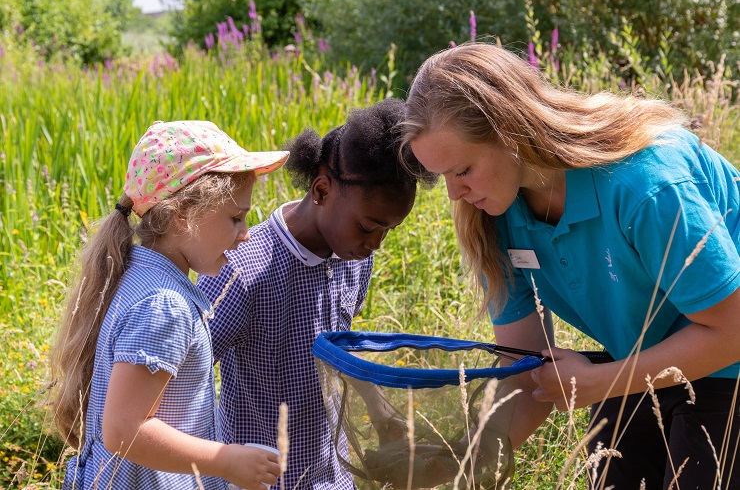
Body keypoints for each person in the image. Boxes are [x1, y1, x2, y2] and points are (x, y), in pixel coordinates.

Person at [401, 42, 740, 489]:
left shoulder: (645, 184)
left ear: (512, 131)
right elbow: (526, 380)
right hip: (640, 359)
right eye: (442, 175)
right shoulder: (494, 216)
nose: (453, 194)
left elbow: (731, 331)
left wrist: (600, 382)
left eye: (462, 169)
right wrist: (458, 464)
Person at [197, 98, 436, 489]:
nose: (375, 244)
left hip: (331, 473)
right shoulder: (243, 269)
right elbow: (186, 372)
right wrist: (211, 460)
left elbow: (337, 349)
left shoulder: (355, 259)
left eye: (387, 231)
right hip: (257, 476)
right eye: (367, 227)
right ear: (322, 190)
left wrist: (381, 413)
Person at [49, 120, 290, 490]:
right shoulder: (165, 306)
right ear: (182, 215)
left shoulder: (136, 273)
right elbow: (123, 429)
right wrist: (225, 462)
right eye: (235, 218)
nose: (245, 234)